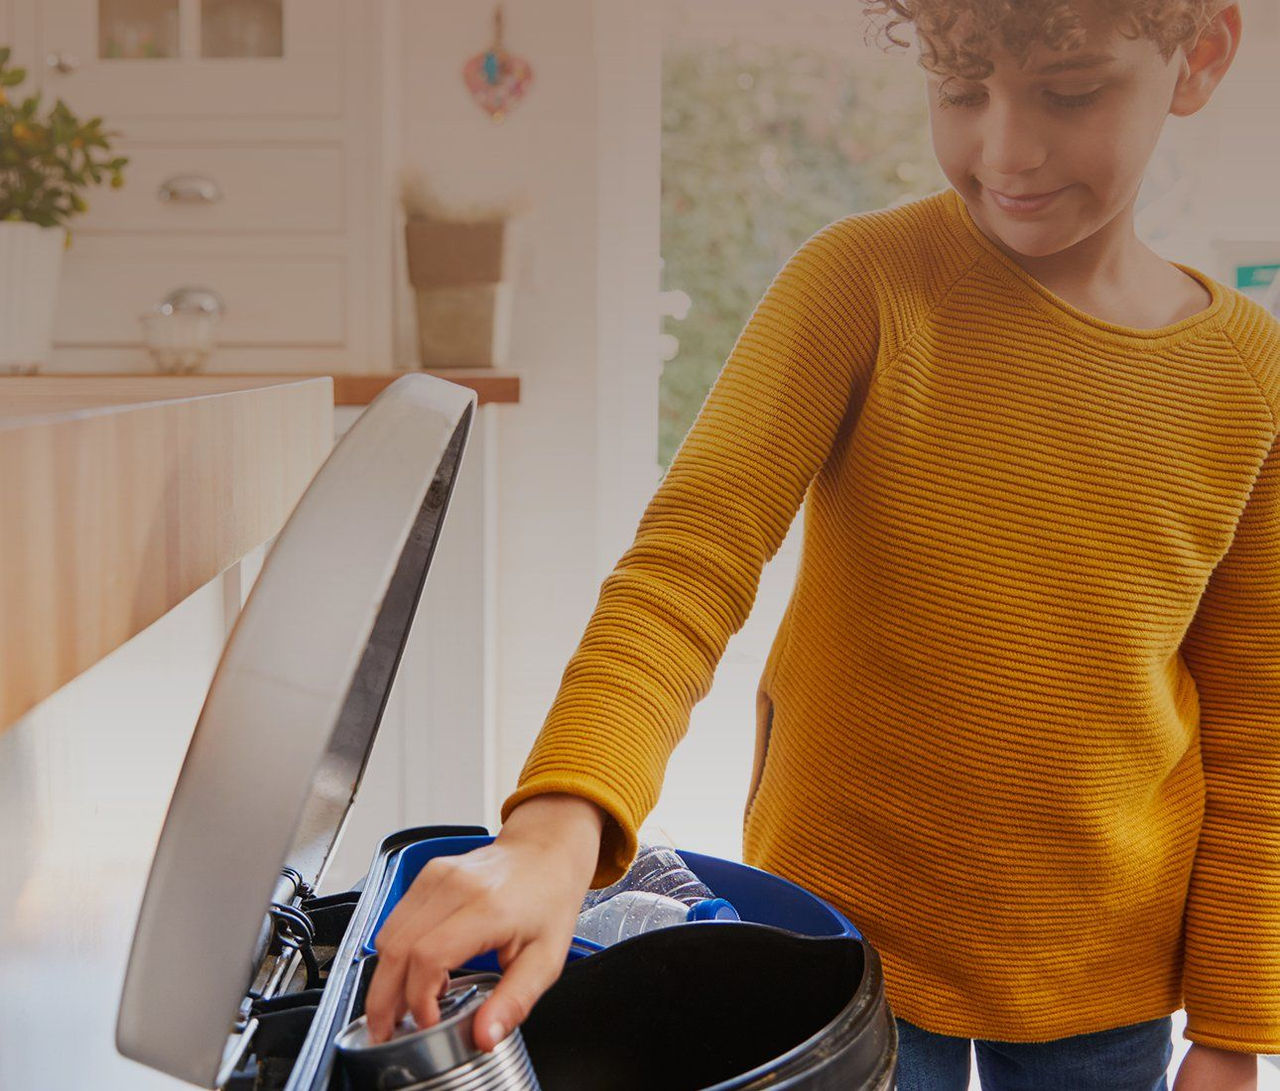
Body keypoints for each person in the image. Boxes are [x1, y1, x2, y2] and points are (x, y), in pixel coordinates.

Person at [364, 1, 1277, 1087]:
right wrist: (554, 831)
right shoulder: (862, 281)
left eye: (1069, 93)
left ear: (1199, 55)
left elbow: (1257, 717)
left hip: (1110, 965)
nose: (1002, 149)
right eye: (959, 89)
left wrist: (1230, 1028)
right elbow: (689, 561)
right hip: (846, 946)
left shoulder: (1248, 375)